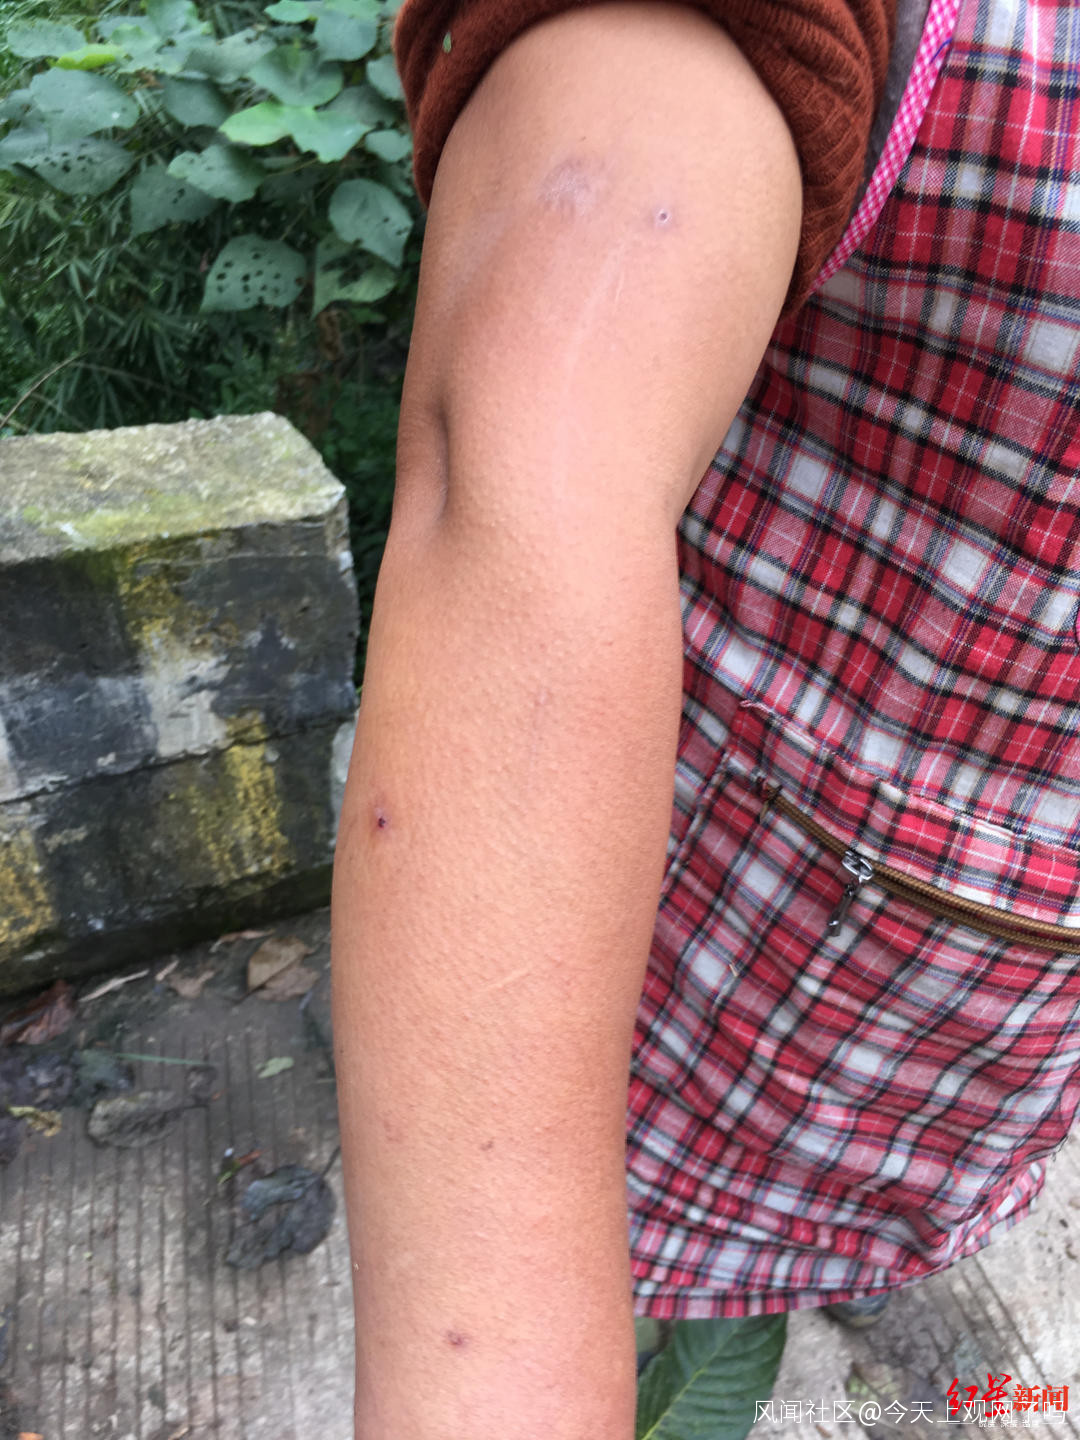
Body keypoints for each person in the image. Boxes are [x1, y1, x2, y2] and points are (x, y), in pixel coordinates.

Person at [330, 0, 1080, 1431]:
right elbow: (524, 498)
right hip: (658, 981)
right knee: (652, 1313)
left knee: (771, 1285)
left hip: (959, 1051)